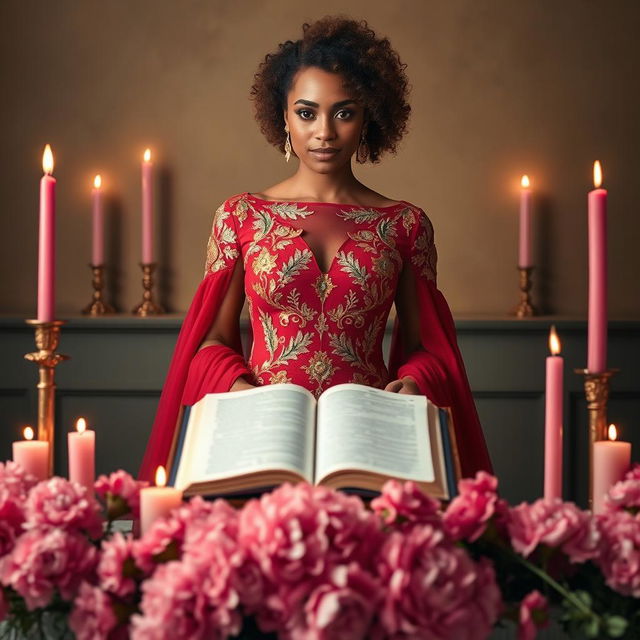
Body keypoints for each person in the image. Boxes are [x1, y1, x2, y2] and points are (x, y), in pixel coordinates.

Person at [139, 16, 492, 482]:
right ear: (283, 117)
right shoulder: (241, 217)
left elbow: (426, 347)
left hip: (366, 444)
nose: (324, 131)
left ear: (369, 118)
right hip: (263, 434)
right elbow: (212, 341)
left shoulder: (404, 224)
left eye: (344, 112)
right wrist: (239, 387)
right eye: (307, 113)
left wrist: (416, 382)